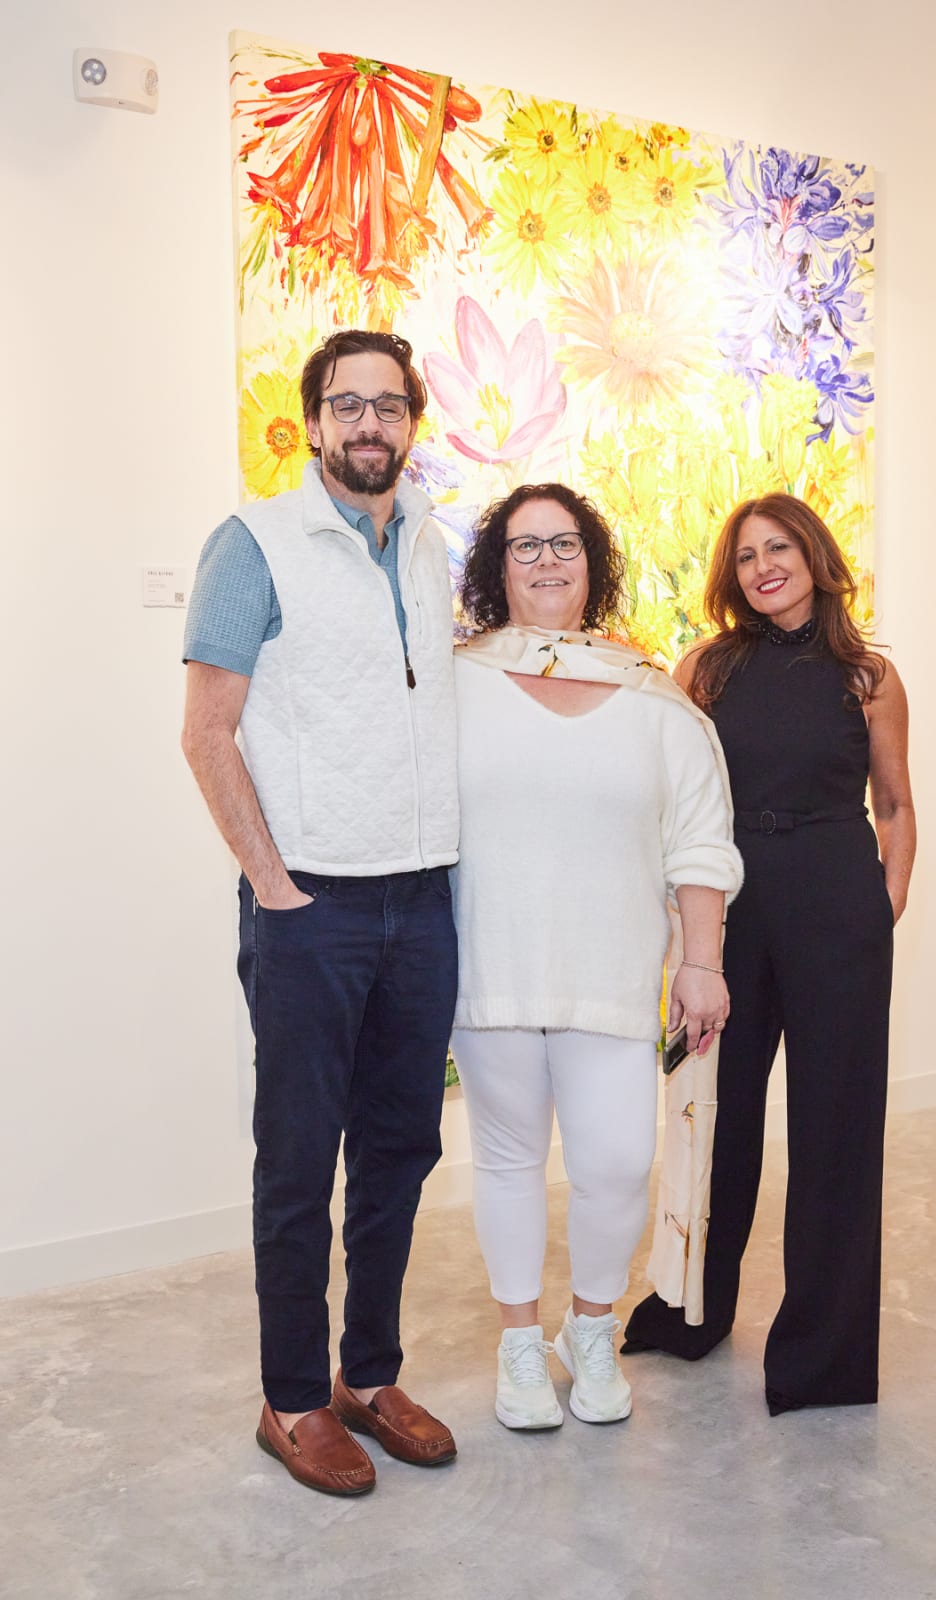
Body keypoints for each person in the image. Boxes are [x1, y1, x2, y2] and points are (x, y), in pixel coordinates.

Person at [181, 330, 460, 1496]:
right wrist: (274, 885)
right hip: (312, 908)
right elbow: (207, 731)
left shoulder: (436, 545)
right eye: (346, 404)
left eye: (388, 404)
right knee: (298, 1162)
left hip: (423, 899)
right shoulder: (253, 543)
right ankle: (292, 1398)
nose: (368, 424)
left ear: (411, 421)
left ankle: (368, 1374)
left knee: (399, 1148)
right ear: (312, 422)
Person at [449, 484, 744, 1431]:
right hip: (491, 964)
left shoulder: (652, 697)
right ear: (498, 568)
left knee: (618, 1163)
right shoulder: (453, 681)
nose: (545, 561)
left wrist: (702, 960)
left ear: (592, 562)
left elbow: (700, 839)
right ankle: (518, 1345)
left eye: (564, 544)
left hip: (614, 971)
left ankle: (590, 1326)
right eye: (524, 545)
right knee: (506, 1160)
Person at [623, 492, 916, 1415]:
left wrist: (883, 905)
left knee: (836, 1131)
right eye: (745, 556)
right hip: (733, 909)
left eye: (778, 548)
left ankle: (823, 1359)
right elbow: (673, 803)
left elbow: (897, 806)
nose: (761, 568)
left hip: (837, 903)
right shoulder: (705, 669)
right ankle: (691, 1312)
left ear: (815, 555)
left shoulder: (869, 677)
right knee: (714, 1116)